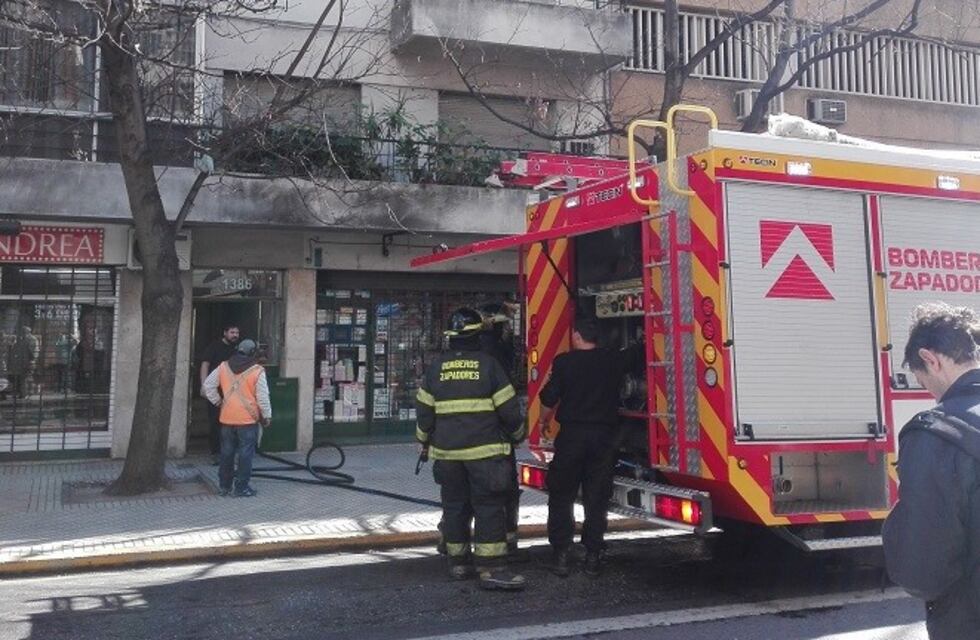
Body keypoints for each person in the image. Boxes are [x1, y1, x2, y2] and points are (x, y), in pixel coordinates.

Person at [883, 302, 980, 639]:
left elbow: (922, 568)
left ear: (930, 359)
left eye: (922, 379)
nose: (929, 391)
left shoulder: (936, 435)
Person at [416, 307, 526, 590]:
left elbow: (424, 415)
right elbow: (510, 411)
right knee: (489, 507)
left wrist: (424, 441)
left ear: (450, 337)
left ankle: (459, 563)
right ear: (478, 334)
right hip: (485, 456)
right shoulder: (490, 366)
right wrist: (517, 434)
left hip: (448, 456)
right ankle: (491, 569)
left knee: (454, 507)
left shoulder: (436, 369)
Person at [537, 316, 638, 578]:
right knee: (596, 498)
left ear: (577, 336)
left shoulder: (564, 363)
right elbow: (637, 353)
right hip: (603, 439)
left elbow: (549, 397)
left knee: (561, 495)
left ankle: (561, 555)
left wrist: (543, 421)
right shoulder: (612, 361)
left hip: (572, 437)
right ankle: (593, 556)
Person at [202, 338, 271, 498]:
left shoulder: (223, 366)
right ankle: (241, 488)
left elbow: (208, 386)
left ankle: (224, 487)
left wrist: (219, 402)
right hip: (247, 420)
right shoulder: (257, 371)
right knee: (245, 454)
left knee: (226, 453)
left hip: (227, 419)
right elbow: (262, 397)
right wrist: (266, 415)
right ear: (253, 353)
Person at [199, 324, 240, 462]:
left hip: (232, 392)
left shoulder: (237, 349)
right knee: (215, 421)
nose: (235, 335)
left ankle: (228, 452)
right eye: (232, 332)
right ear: (225, 332)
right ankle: (215, 453)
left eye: (236, 333)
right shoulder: (214, 346)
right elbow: (205, 364)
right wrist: (204, 385)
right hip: (215, 390)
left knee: (230, 423)